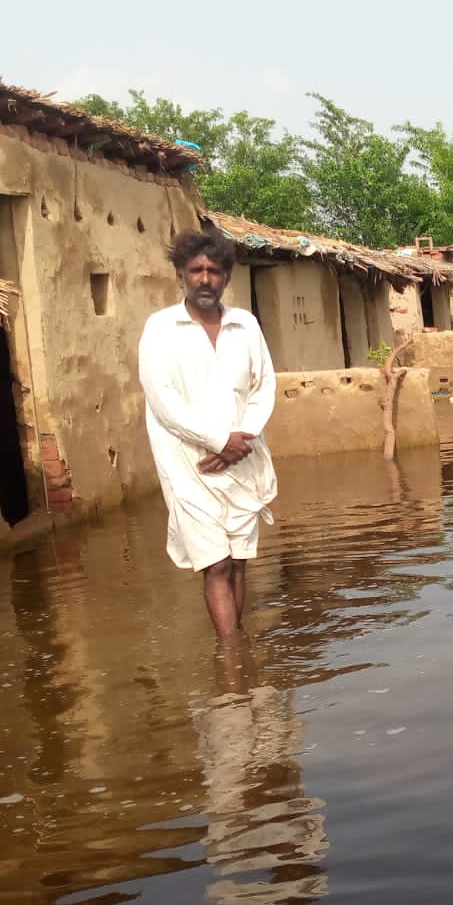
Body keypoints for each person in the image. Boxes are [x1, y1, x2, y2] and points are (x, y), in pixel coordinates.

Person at [139, 227, 278, 636]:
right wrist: (219, 443)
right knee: (214, 562)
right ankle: (231, 657)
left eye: (214, 271)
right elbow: (162, 400)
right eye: (195, 270)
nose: (204, 279)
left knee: (237, 560)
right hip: (189, 463)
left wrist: (243, 438)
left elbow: (264, 384)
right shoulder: (161, 329)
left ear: (226, 278)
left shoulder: (245, 325)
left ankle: (237, 657)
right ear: (180, 274)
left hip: (243, 457)